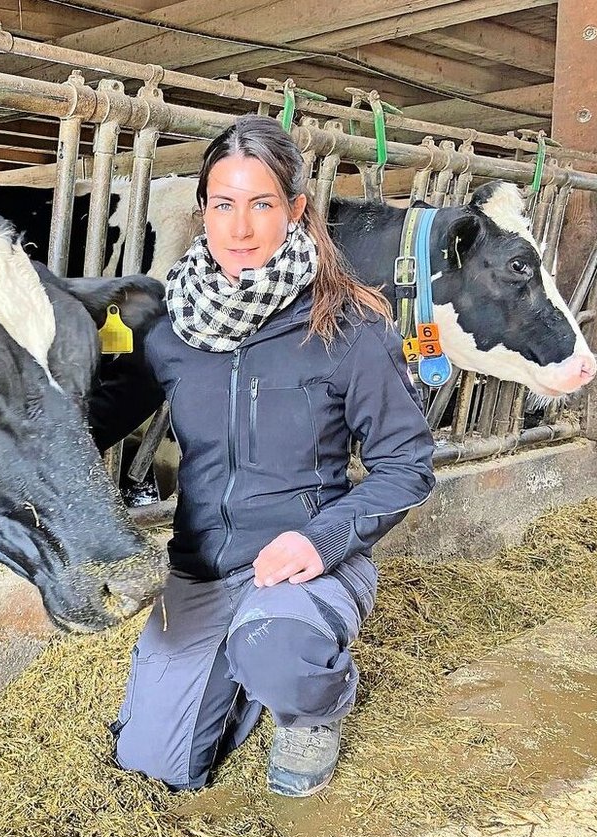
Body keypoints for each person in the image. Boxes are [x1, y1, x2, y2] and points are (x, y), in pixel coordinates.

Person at [92, 114, 436, 796]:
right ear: (204, 211)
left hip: (302, 565)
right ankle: (241, 663)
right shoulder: (168, 327)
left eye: (261, 204)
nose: (240, 229)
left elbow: (408, 464)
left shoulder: (349, 325)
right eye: (223, 205)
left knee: (275, 644)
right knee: (152, 766)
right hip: (200, 572)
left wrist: (322, 538)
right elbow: (94, 420)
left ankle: (314, 704)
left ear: (296, 210)